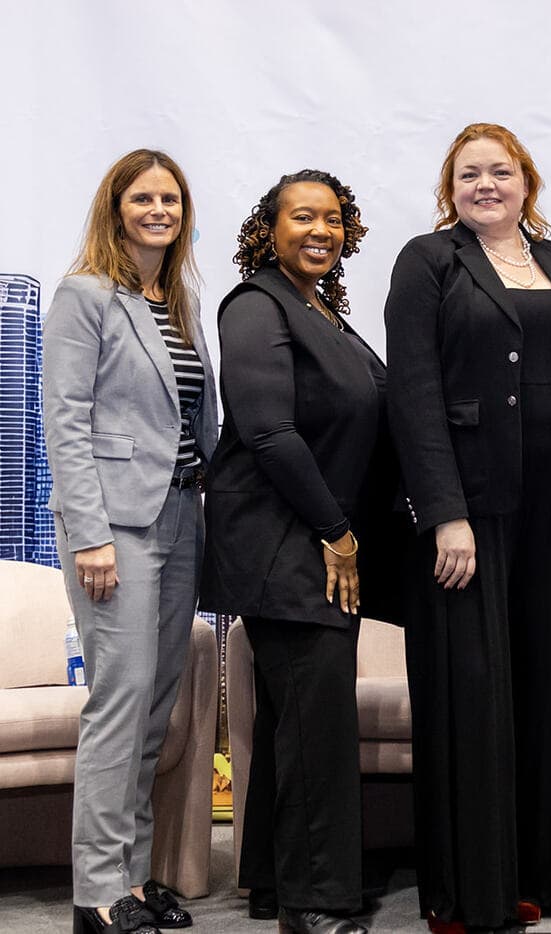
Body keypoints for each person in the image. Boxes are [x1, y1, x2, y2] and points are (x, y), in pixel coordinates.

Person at [385, 123, 551, 933]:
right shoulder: (428, 261)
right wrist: (445, 513)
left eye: (500, 172)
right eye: (469, 174)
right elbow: (413, 392)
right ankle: (470, 890)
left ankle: (542, 873)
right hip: (470, 512)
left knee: (546, 689)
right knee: (472, 695)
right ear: (450, 189)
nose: (486, 186)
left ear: (526, 182)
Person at [201, 170, 401, 934]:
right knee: (317, 730)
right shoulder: (256, 305)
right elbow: (267, 432)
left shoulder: (321, 311)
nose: (320, 230)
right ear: (269, 229)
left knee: (294, 720)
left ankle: (270, 881)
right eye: (302, 217)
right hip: (284, 545)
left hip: (309, 542)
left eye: (333, 219)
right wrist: (338, 533)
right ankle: (315, 903)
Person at [44, 150, 215, 934]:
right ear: (116, 208)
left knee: (153, 709)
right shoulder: (85, 295)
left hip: (181, 516)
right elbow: (65, 419)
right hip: (113, 528)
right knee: (120, 702)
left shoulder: (176, 301)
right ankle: (96, 892)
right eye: (143, 198)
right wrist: (89, 535)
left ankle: (134, 880)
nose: (158, 210)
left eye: (170, 199)